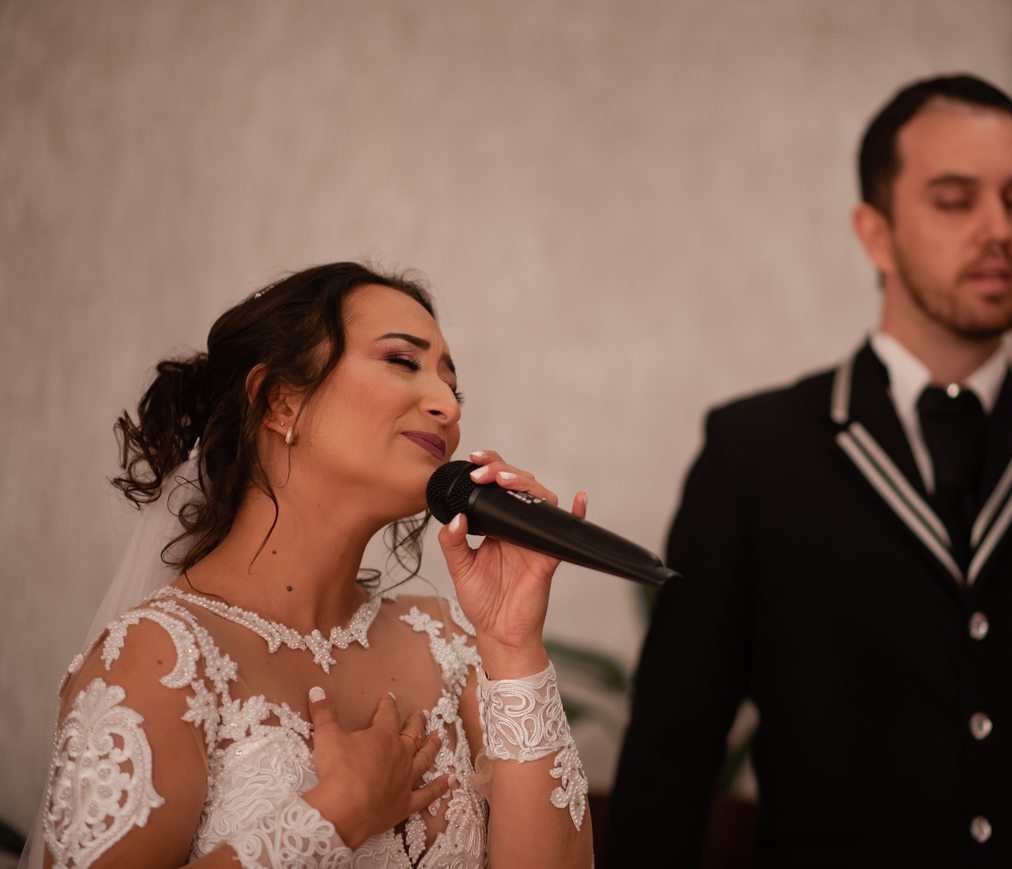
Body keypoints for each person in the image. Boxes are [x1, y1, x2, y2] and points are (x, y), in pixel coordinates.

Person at [606, 75, 1012, 867]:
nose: (999, 229)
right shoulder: (756, 450)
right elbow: (669, 759)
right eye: (955, 200)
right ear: (875, 233)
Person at [23, 263, 593, 869]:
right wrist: (332, 817)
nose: (447, 408)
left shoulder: (456, 645)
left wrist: (513, 644)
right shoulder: (159, 658)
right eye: (403, 361)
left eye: (453, 388)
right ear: (280, 400)